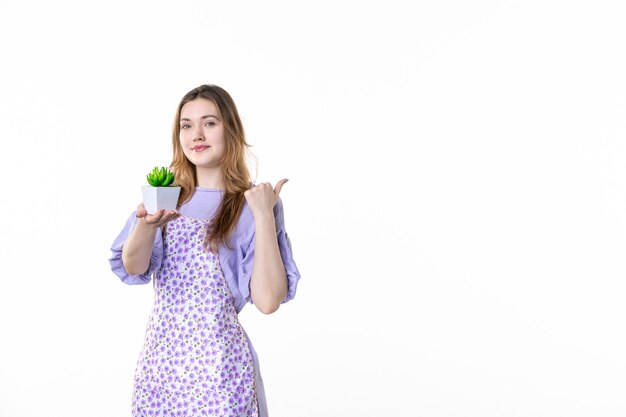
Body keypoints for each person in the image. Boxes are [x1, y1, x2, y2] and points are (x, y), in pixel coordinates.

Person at [108, 84, 301, 417]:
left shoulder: (252, 203)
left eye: (209, 123)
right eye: (186, 125)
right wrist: (147, 224)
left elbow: (268, 301)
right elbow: (134, 267)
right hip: (162, 373)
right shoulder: (166, 195)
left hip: (222, 374)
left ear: (231, 129)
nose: (196, 134)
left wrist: (263, 216)